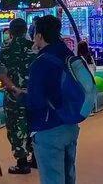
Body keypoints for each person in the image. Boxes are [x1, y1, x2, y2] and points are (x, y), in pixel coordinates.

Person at [25, 15, 80, 184]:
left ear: (39, 36)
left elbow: (35, 101)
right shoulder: (68, 54)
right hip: (71, 122)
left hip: (48, 127)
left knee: (52, 178)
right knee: (68, 175)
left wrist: (20, 95)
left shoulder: (40, 63)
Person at [0, 18, 37, 175]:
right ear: (26, 30)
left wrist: (13, 88)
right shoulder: (33, 48)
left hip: (14, 96)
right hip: (33, 95)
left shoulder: (5, 49)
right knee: (34, 124)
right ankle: (35, 159)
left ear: (10, 32)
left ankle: (22, 164)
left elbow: (1, 73)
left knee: (16, 127)